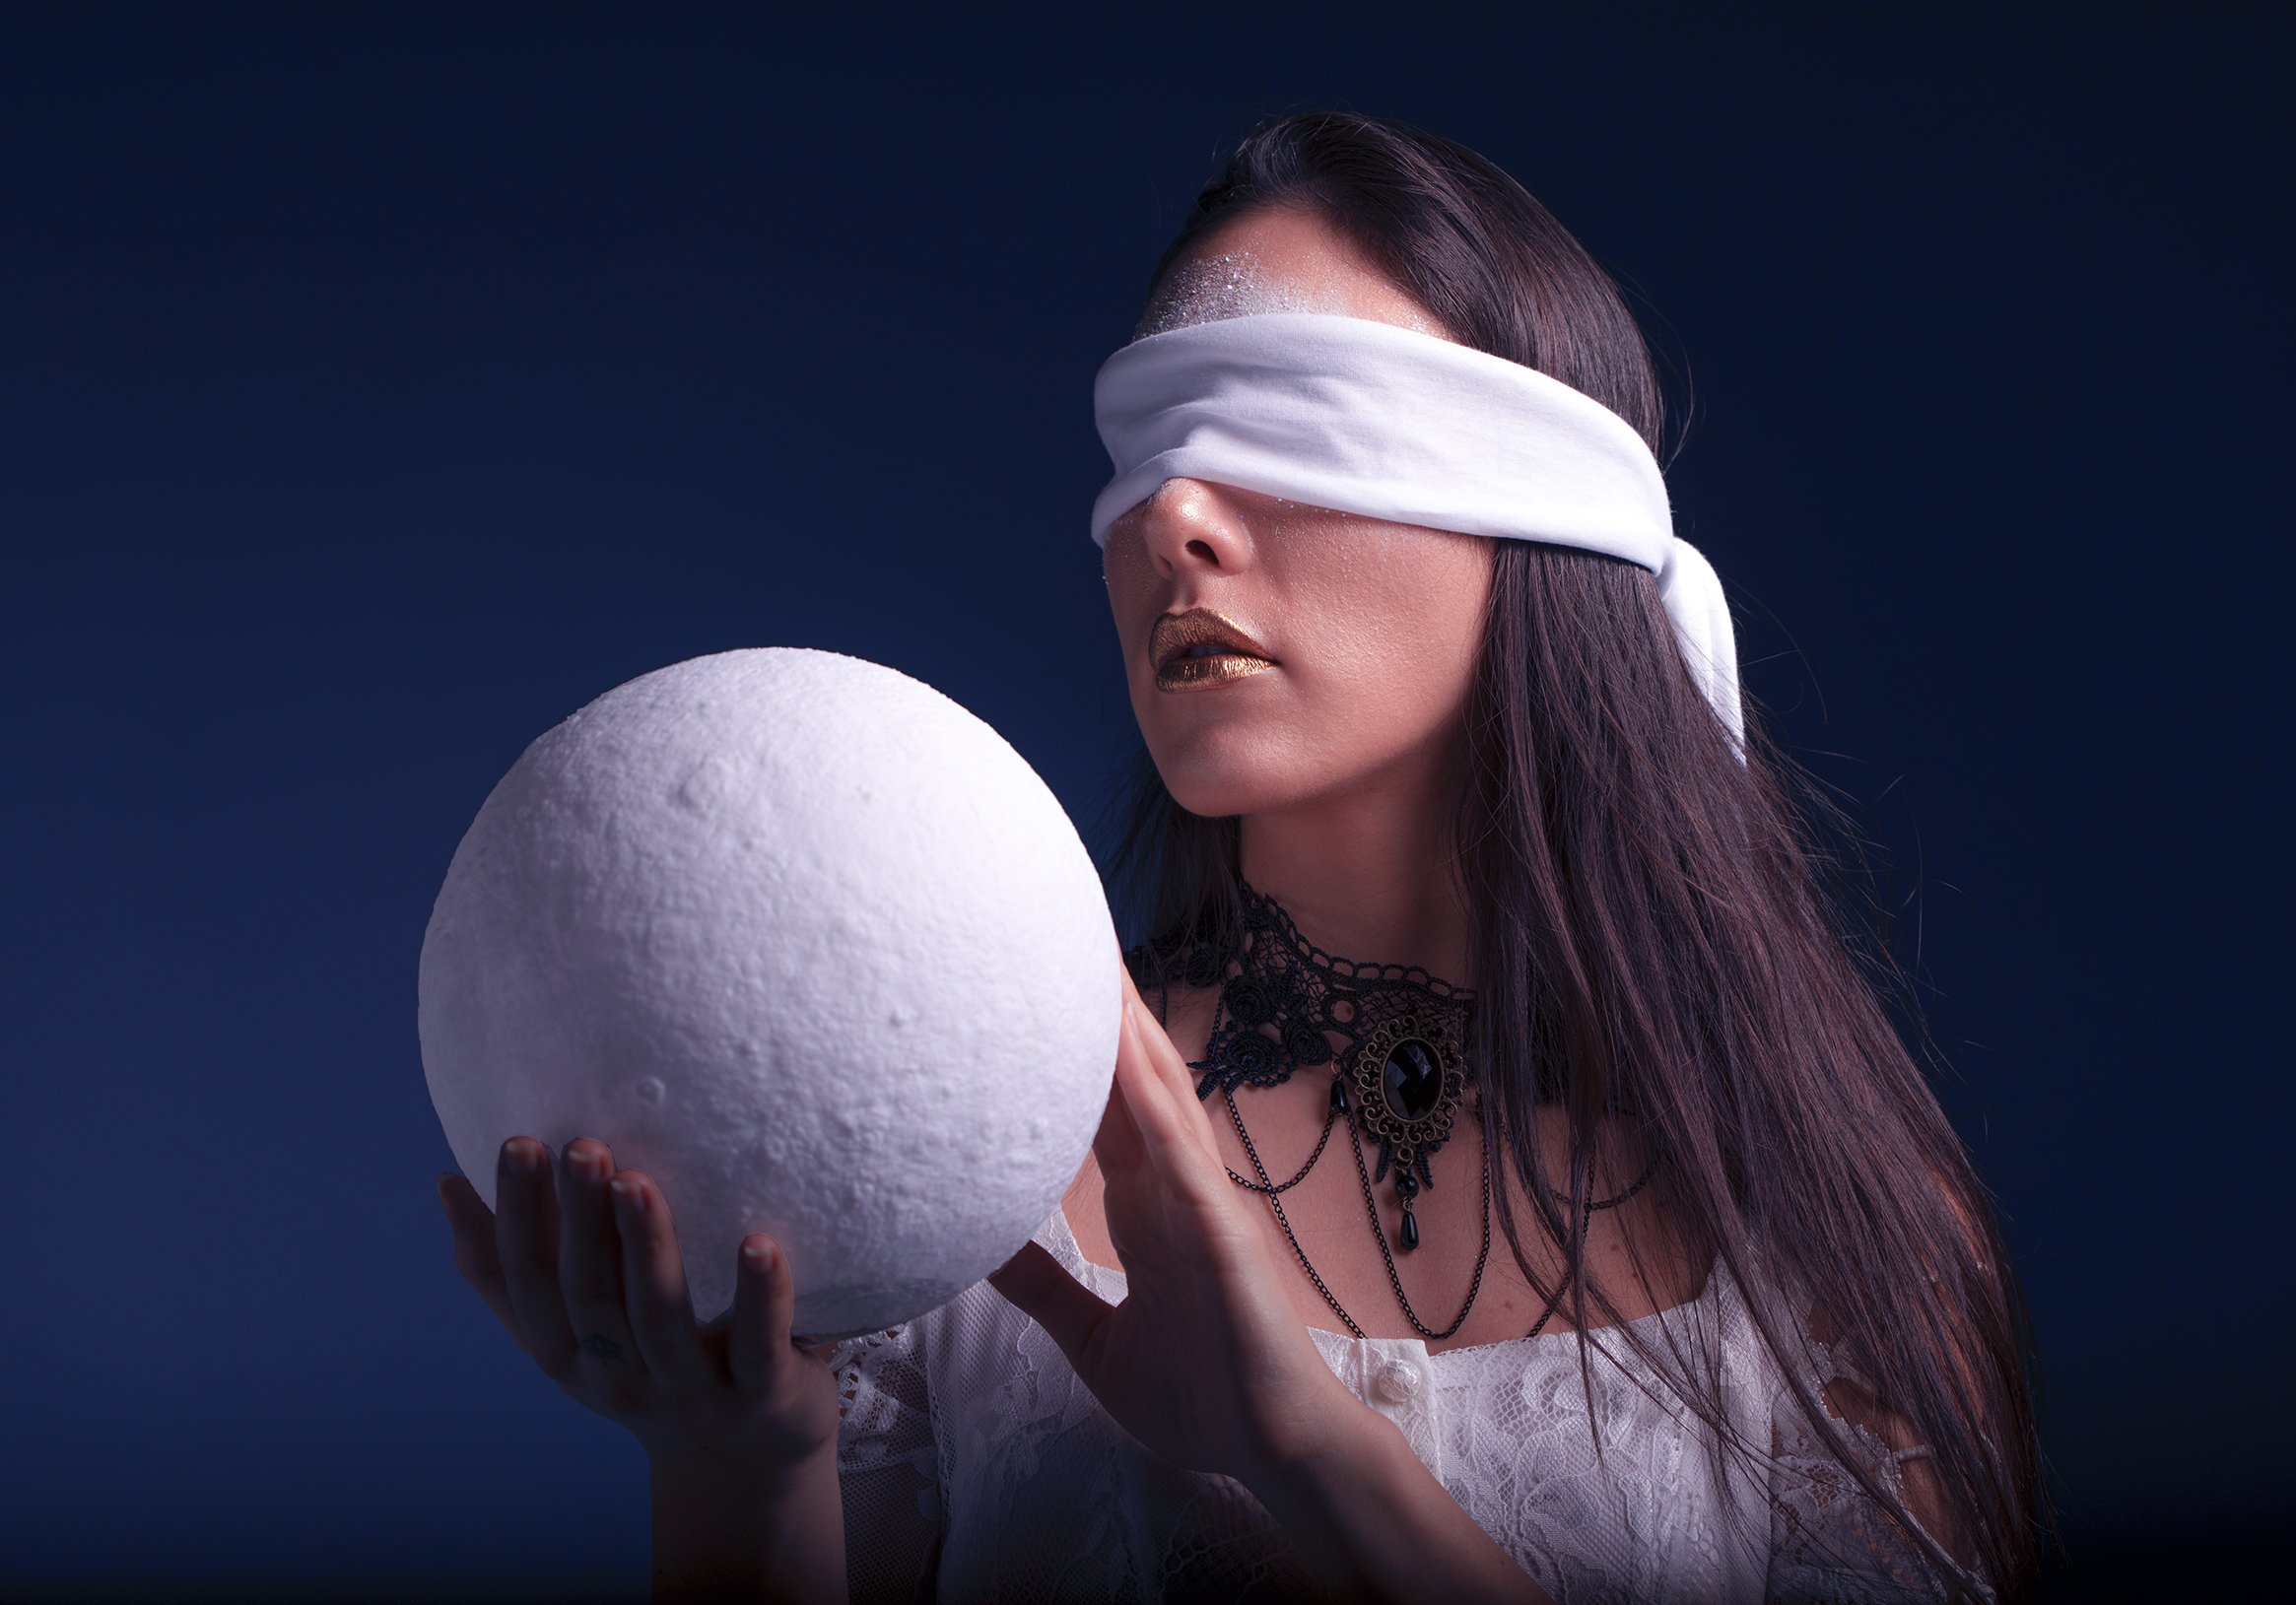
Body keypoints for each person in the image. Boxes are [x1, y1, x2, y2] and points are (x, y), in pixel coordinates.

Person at [435, 111, 2044, 1603]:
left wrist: (1304, 1443)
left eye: (1294, 419)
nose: (1170, 516)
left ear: (1549, 517)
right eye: (1141, 451)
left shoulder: (1808, 1209)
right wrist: (737, 1467)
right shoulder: (965, 1138)